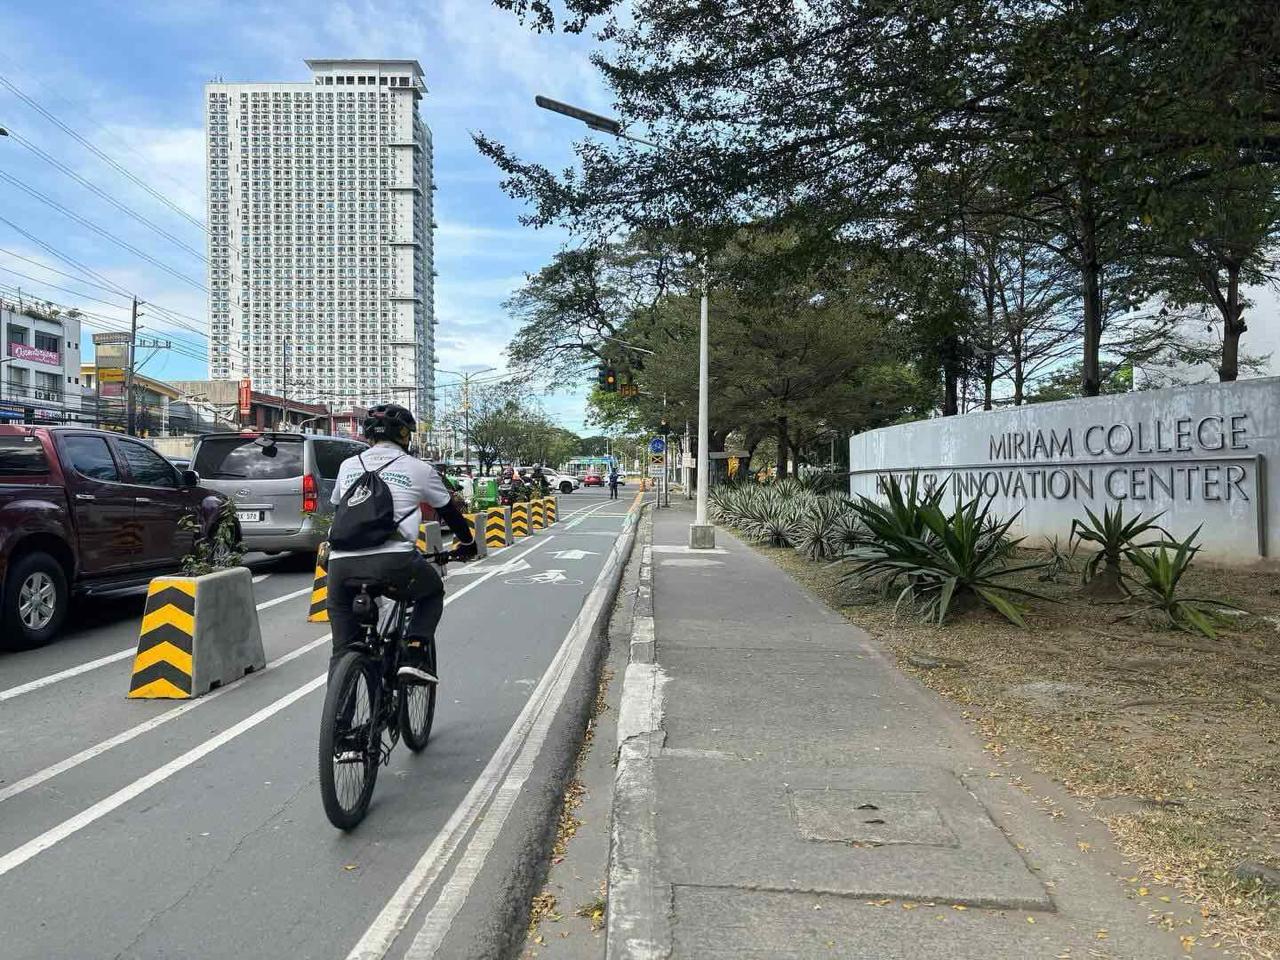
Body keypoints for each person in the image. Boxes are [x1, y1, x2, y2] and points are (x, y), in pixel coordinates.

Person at [326, 404, 477, 685]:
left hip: (340, 564)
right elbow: (451, 514)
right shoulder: (419, 469)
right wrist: (468, 544)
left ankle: (340, 724)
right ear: (405, 435)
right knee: (431, 592)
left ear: (369, 435)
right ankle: (415, 652)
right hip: (394, 562)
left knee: (343, 648)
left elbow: (337, 508)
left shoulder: (348, 465)